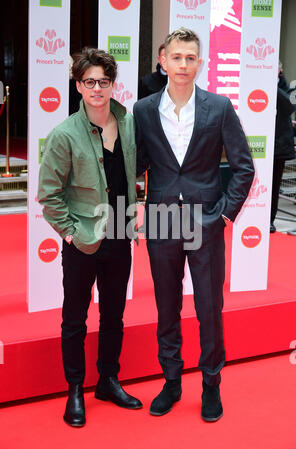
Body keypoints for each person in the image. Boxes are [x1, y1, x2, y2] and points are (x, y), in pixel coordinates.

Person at [133, 28, 255, 422]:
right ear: (163, 60)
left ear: (199, 63)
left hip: (206, 222)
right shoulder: (144, 110)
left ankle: (210, 385)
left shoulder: (219, 107)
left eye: (191, 58)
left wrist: (224, 214)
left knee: (209, 308)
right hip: (162, 221)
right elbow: (137, 166)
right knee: (166, 308)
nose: (183, 65)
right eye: (177, 57)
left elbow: (243, 167)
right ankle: (171, 382)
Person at [38, 47, 142, 427]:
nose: (97, 88)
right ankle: (75, 389)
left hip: (120, 238)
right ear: (78, 85)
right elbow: (49, 194)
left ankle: (108, 380)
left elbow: (133, 173)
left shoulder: (128, 123)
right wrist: (68, 231)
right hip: (83, 241)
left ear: (113, 84)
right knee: (75, 318)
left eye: (104, 81)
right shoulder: (64, 134)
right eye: (89, 81)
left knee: (114, 314)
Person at [270, 62, 296, 233]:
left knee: (275, 184)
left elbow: (289, 106)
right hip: (260, 144)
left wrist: (270, 86)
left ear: (280, 71)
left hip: (279, 146)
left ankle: (270, 220)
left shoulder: (289, 89)